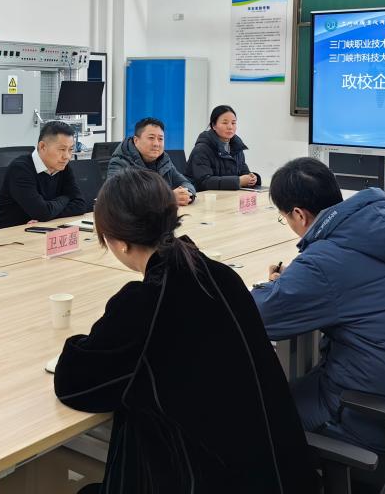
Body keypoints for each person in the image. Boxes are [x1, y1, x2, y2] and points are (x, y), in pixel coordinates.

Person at [55, 168, 315, 493]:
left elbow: (74, 384)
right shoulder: (220, 275)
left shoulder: (143, 303)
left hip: (202, 477)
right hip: (272, 473)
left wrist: (84, 342)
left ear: (119, 243)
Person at [252, 157, 385, 453]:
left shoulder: (326, 261)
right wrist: (296, 282)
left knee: (254, 413)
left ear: (298, 214)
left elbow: (257, 315)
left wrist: (275, 286)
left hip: (376, 416)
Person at [0, 120, 87, 229]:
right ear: (42, 146)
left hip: (41, 229)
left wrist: (49, 214)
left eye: (70, 149)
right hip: (7, 232)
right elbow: (43, 212)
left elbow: (80, 205)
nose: (67, 156)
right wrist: (66, 197)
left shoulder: (63, 167)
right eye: (62, 149)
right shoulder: (20, 169)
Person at [106, 117, 196, 205]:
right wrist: (168, 198)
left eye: (160, 139)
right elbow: (118, 196)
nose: (156, 144)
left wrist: (186, 194)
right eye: (151, 138)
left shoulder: (164, 159)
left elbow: (186, 183)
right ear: (136, 140)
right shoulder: (120, 162)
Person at [186, 104, 261, 191]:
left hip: (228, 195)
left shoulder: (237, 147)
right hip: (204, 196)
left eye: (233, 123)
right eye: (225, 123)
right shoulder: (201, 149)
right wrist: (238, 181)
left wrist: (252, 178)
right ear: (214, 125)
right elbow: (204, 182)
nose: (230, 127)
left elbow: (243, 173)